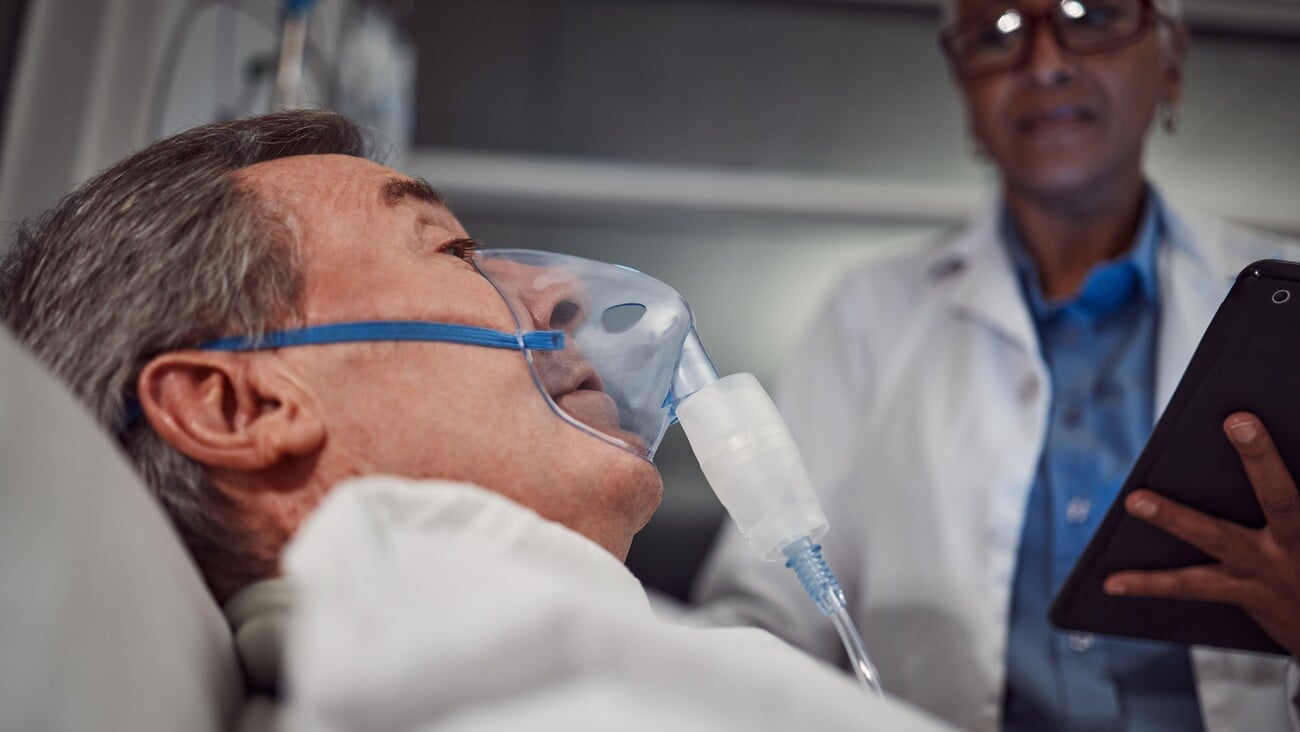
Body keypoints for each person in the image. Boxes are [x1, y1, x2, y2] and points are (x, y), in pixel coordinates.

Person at [0, 111, 949, 731]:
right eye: (454, 250)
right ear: (238, 405)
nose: (565, 291)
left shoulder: (566, 660)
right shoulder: (480, 670)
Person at [692, 1, 1300, 730]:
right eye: (995, 34)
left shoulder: (1283, 298)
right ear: (963, 88)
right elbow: (768, 615)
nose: (1044, 65)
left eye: (1093, 14)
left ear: (1171, 59)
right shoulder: (869, 314)